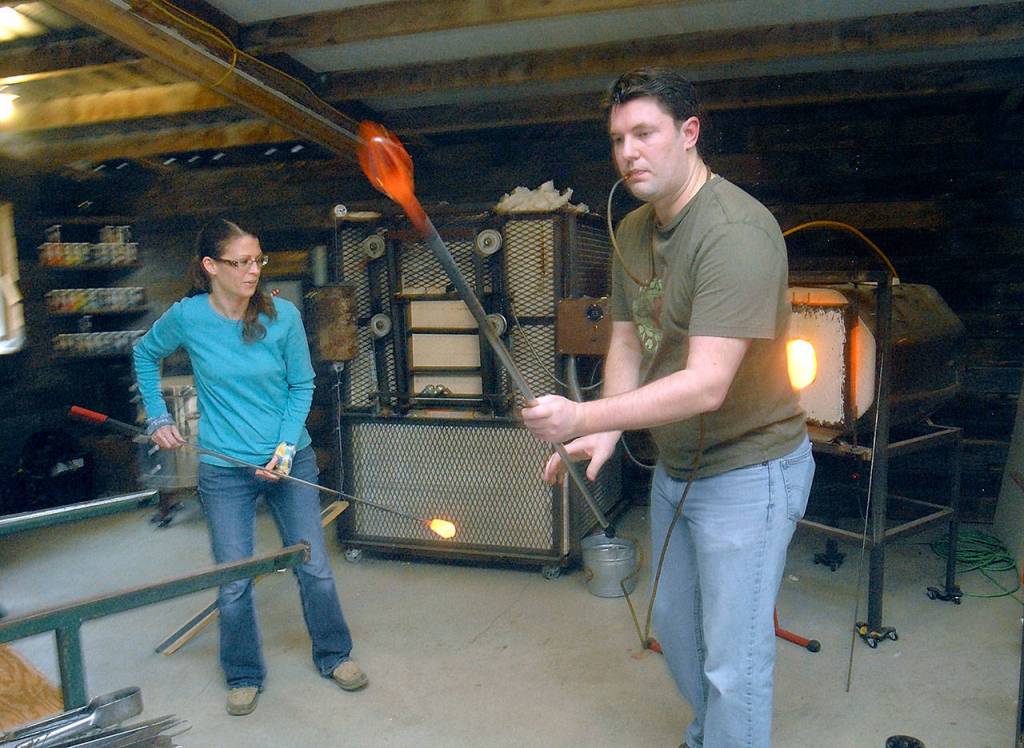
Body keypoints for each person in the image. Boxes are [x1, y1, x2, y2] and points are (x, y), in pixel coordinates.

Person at [521, 69, 814, 748]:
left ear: (688, 134)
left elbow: (707, 382)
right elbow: (627, 340)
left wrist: (582, 419)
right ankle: (713, 735)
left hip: (751, 468)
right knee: (679, 635)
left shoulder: (736, 232)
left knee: (734, 660)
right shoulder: (631, 229)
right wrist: (610, 423)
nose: (629, 151)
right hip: (678, 467)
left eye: (645, 133)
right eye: (619, 138)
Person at [133, 219, 367, 717]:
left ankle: (335, 654)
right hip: (224, 468)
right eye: (241, 262)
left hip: (288, 458)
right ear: (210, 267)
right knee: (234, 579)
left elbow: (302, 386)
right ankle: (243, 673)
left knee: (315, 568)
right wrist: (156, 415)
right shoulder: (188, 317)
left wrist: (284, 449)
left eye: (258, 259)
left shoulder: (282, 316)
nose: (253, 270)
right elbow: (143, 353)